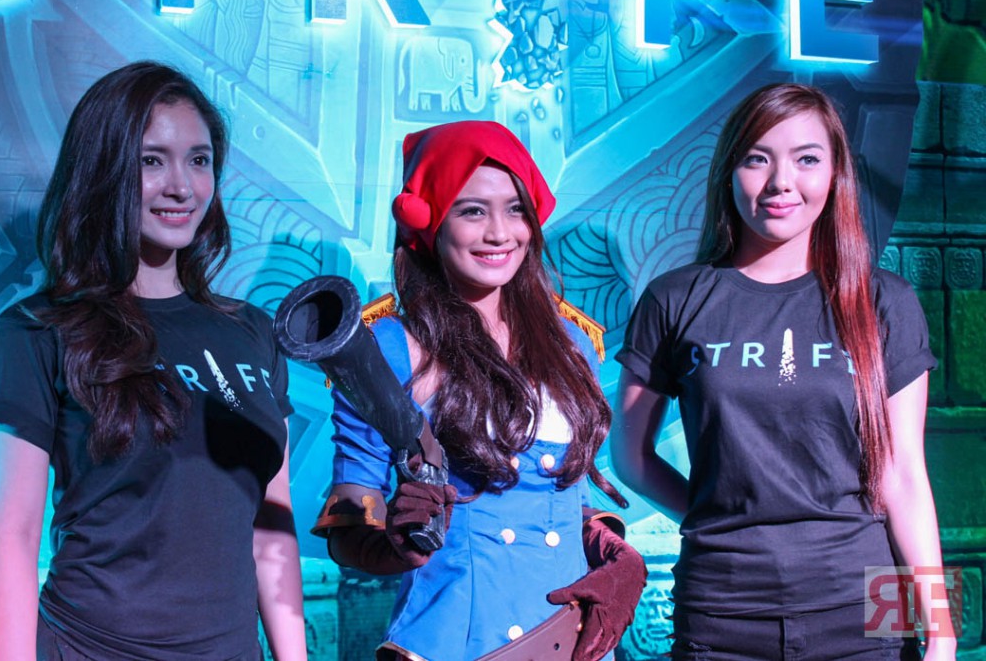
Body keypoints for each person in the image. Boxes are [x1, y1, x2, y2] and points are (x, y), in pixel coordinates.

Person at [0, 61, 308, 660]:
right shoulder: (38, 331)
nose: (182, 186)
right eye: (152, 161)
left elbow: (271, 529)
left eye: (199, 160)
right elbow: (12, 538)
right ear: (104, 170)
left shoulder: (252, 332)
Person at [611, 82, 955, 660]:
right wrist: (720, 519)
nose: (780, 182)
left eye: (807, 159)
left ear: (836, 173)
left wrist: (942, 632)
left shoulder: (885, 301)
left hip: (865, 605)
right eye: (757, 159)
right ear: (728, 172)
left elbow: (906, 479)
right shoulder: (674, 299)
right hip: (721, 609)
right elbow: (631, 458)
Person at [311, 120, 646, 661]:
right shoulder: (390, 348)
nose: (500, 233)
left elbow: (566, 498)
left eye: (515, 210)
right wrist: (398, 541)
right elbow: (350, 524)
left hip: (570, 640)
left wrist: (618, 556)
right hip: (455, 643)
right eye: (472, 211)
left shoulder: (570, 343)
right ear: (430, 223)